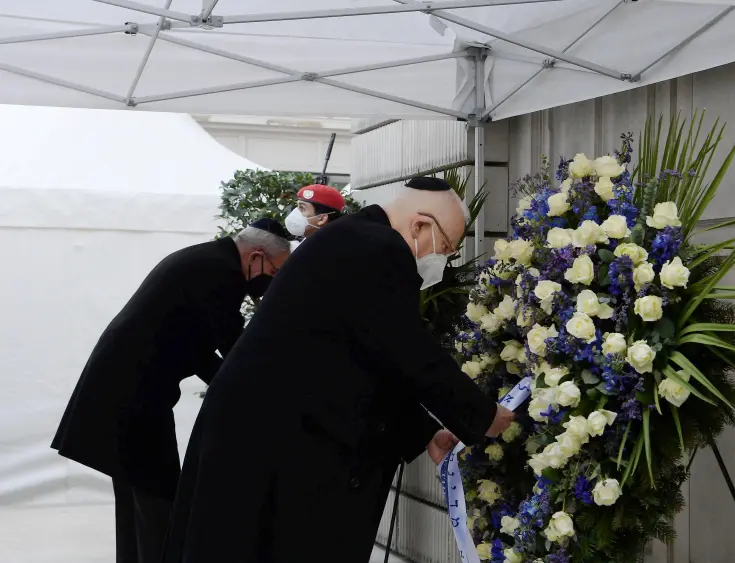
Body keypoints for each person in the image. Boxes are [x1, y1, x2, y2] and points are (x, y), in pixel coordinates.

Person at [161, 176, 514, 563]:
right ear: (420, 226)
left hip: (264, 432)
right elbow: (407, 349)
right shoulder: (379, 248)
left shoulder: (352, 240)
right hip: (277, 442)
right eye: (445, 247)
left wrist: (424, 432)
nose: (440, 261)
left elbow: (366, 356)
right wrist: (481, 415)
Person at [50, 218, 293, 563]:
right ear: (256, 256)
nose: (270, 284)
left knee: (138, 501)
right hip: (134, 397)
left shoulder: (207, 259)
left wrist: (236, 389)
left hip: (122, 389)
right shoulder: (221, 273)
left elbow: (199, 349)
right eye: (275, 271)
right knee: (159, 502)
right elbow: (234, 348)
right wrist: (264, 396)